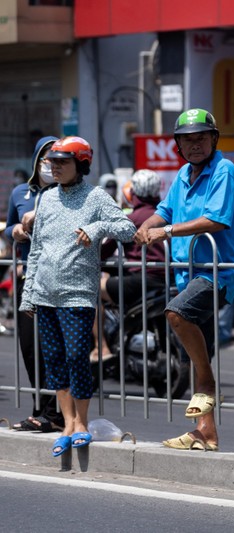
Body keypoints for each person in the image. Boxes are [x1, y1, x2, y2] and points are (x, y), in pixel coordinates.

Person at [134, 108, 234, 451]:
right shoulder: (183, 174)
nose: (194, 145)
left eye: (201, 138)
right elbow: (165, 210)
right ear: (178, 145)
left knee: (176, 314)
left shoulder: (224, 170)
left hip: (218, 273)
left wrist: (164, 231)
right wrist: (148, 223)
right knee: (196, 356)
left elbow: (216, 219)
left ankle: (209, 379)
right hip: (186, 274)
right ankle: (205, 432)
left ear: (213, 139)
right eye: (187, 139)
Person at [19, 136, 136, 457]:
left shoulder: (96, 196)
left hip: (78, 297)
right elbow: (37, 249)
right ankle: (67, 424)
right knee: (54, 362)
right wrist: (29, 295)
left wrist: (97, 228)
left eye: (62, 161)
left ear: (81, 164)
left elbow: (126, 228)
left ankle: (82, 423)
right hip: (44, 294)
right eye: (52, 162)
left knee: (76, 359)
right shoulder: (46, 199)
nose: (54, 167)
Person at [6, 135, 63, 432]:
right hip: (28, 279)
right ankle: (40, 408)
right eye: (46, 157)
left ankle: (56, 413)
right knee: (30, 347)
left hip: (59, 279)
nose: (50, 164)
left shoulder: (67, 193)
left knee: (55, 348)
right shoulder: (20, 193)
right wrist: (15, 230)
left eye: (57, 158)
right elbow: (8, 229)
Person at [94, 169, 166, 361]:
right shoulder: (167, 216)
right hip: (169, 279)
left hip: (139, 281)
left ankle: (100, 347)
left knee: (91, 290)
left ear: (133, 194)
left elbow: (105, 249)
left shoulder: (132, 219)